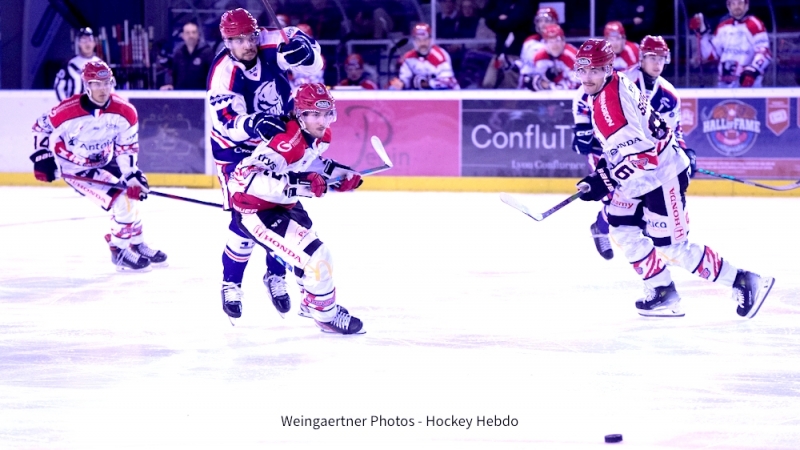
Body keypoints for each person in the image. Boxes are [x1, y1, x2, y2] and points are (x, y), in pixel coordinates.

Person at [572, 38, 774, 318]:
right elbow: (628, 144)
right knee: (620, 227)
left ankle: (744, 280)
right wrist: (602, 172)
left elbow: (644, 156)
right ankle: (662, 291)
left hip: (661, 174)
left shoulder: (610, 105)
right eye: (582, 70)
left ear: (608, 68)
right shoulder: (617, 81)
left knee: (672, 247)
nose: (586, 77)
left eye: (593, 70)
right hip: (641, 177)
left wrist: (604, 179)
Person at [206, 8, 323, 320]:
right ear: (227, 41)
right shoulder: (223, 73)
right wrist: (255, 123)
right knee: (243, 221)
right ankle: (231, 283)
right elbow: (228, 123)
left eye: (251, 36)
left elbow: (314, 64)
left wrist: (307, 53)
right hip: (235, 153)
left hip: (278, 144)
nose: (248, 44)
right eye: (239, 39)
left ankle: (275, 274)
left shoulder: (270, 43)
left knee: (284, 208)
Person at [227, 83, 364, 334]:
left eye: (327, 114)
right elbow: (244, 180)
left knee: (307, 257)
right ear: (300, 115)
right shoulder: (286, 143)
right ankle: (326, 316)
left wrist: (341, 175)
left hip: (285, 204)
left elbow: (311, 162)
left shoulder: (320, 136)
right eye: (314, 114)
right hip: (257, 212)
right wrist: (301, 184)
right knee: (317, 257)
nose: (322, 122)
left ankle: (311, 303)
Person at [571, 35, 699, 261]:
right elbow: (584, 93)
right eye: (651, 57)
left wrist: (683, 150)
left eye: (661, 58)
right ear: (641, 58)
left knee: (633, 199)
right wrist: (581, 126)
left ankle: (612, 229)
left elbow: (671, 129)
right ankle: (603, 226)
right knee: (614, 196)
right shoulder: (623, 78)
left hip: (642, 156)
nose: (657, 63)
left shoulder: (669, 94)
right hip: (608, 148)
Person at [32, 61, 167, 272]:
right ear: (87, 85)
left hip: (106, 159)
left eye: (106, 83)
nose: (102, 89)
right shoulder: (67, 110)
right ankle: (119, 251)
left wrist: (132, 175)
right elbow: (40, 127)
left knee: (131, 195)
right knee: (121, 201)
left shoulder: (125, 112)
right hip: (75, 168)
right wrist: (42, 157)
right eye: (96, 84)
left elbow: (126, 148)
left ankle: (136, 243)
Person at [689, 0, 771, 87]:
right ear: (728, 6)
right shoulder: (723, 26)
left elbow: (764, 52)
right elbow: (711, 55)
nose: (736, 7)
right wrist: (703, 34)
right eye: (733, 3)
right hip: (724, 84)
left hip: (747, 84)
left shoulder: (755, 24)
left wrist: (752, 70)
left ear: (746, 5)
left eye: (740, 3)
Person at [481, 0, 535, 88]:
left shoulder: (525, 3)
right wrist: (501, 19)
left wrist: (500, 21)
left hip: (515, 53)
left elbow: (515, 21)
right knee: (488, 83)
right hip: (499, 52)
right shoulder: (499, 2)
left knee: (510, 86)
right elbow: (488, 18)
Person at [390, 23, 459, 90]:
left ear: (430, 40)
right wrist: (401, 84)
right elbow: (405, 79)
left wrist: (425, 83)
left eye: (425, 39)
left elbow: (448, 82)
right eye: (419, 40)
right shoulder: (408, 57)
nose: (422, 43)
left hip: (446, 97)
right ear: (414, 41)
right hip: (421, 97)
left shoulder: (440, 56)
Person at [520, 23, 578, 91]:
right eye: (550, 41)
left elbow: (577, 84)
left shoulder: (572, 55)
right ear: (545, 44)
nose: (554, 45)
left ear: (563, 41)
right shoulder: (539, 57)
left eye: (557, 40)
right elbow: (529, 81)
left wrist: (547, 86)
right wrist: (543, 81)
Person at [160, 21, 216, 90]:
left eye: (194, 32)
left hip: (201, 95)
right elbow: (174, 74)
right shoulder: (178, 53)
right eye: (187, 33)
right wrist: (170, 85)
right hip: (181, 95)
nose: (191, 35)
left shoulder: (207, 52)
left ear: (198, 34)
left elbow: (214, 75)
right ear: (183, 35)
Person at [54, 27, 103, 101]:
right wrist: (65, 104)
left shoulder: (101, 64)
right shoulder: (70, 64)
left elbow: (109, 88)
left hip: (95, 108)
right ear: (79, 43)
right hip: (74, 108)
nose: (87, 43)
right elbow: (58, 87)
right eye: (84, 40)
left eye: (90, 40)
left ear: (94, 43)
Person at [519, 7, 559, 75]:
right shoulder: (529, 41)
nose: (543, 24)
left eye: (546, 21)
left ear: (554, 22)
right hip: (528, 80)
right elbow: (524, 63)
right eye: (540, 21)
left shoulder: (559, 43)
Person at [286, 23, 325, 91]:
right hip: (295, 91)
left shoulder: (319, 56)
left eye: (305, 34)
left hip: (315, 90)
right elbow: (288, 76)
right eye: (298, 35)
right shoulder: (286, 54)